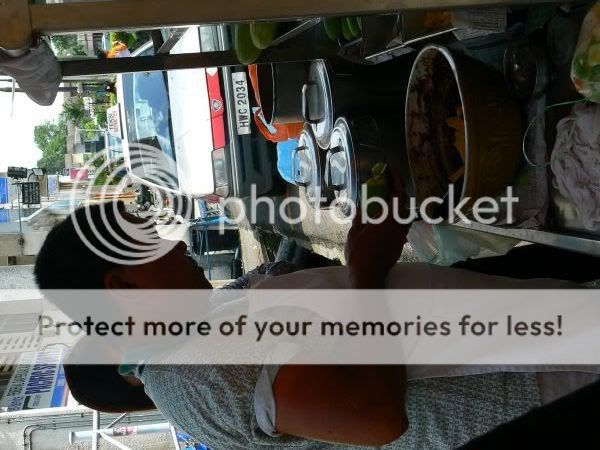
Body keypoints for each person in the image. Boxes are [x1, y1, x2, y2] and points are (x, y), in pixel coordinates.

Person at [35, 201, 599, 449]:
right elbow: (377, 417)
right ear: (124, 285)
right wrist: (366, 271)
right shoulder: (195, 374)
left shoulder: (197, 330)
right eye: (149, 242)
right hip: (530, 380)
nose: (176, 243)